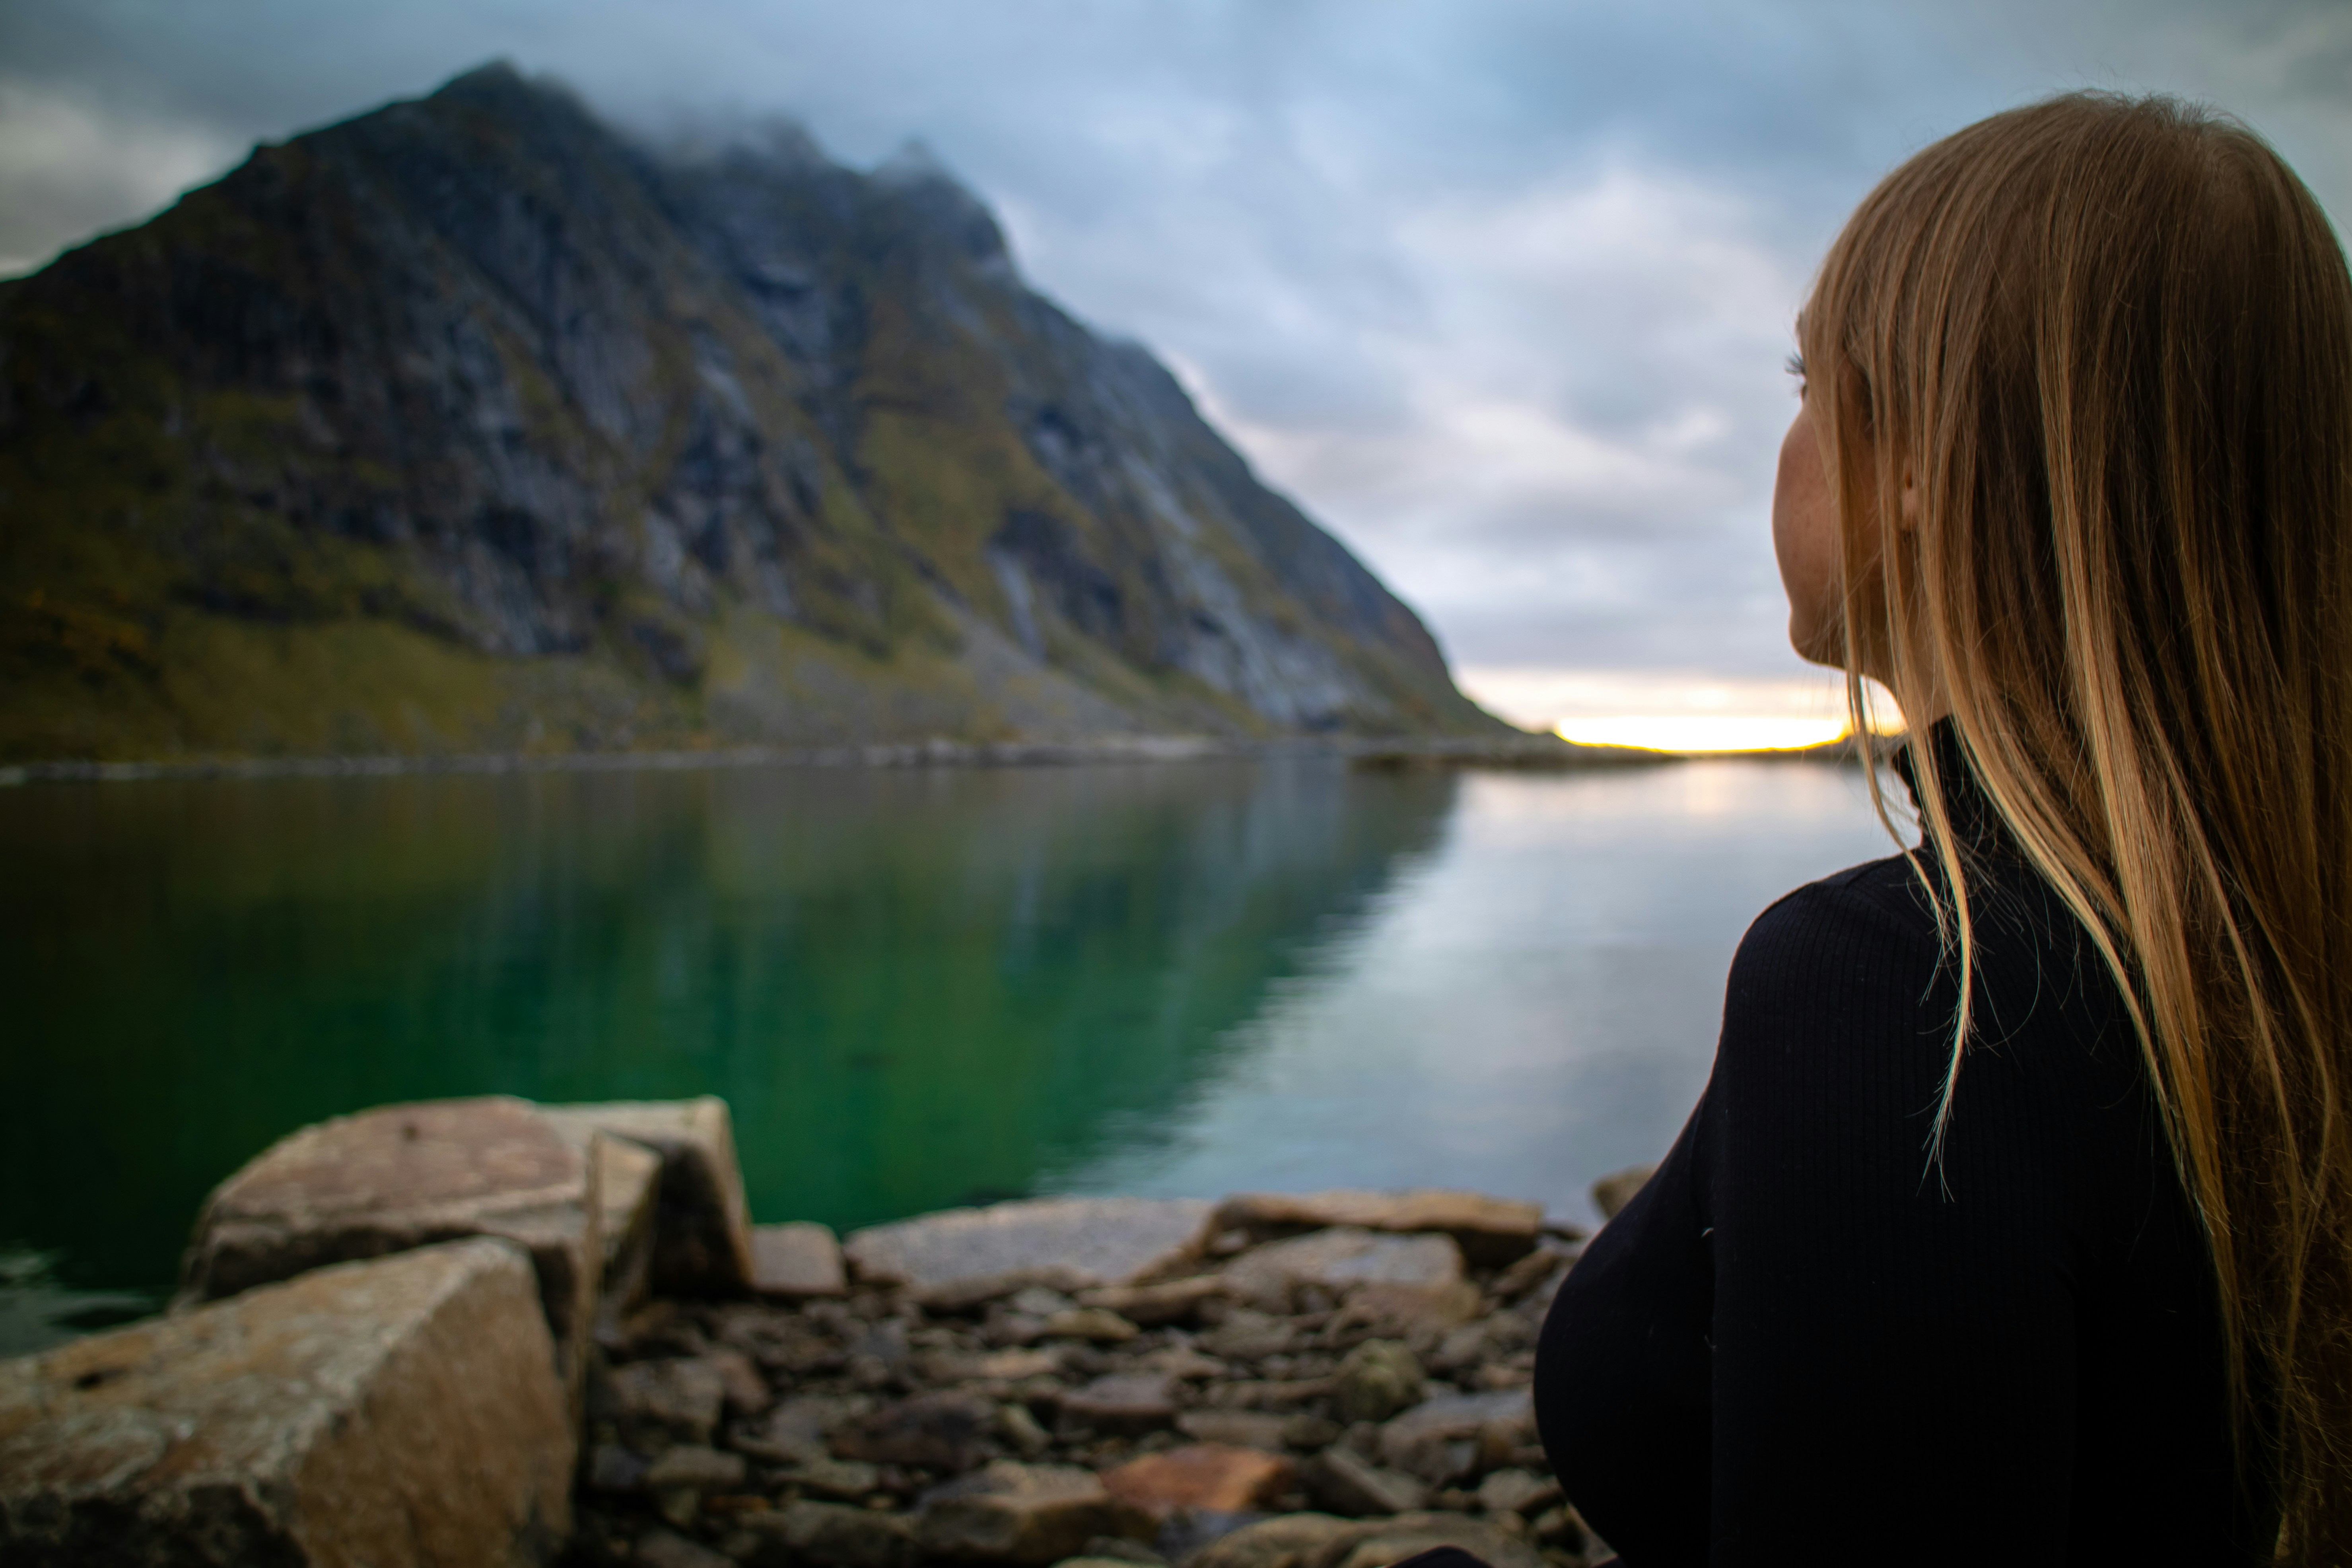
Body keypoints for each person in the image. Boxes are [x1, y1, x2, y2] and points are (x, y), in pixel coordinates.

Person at [1529, 94, 2352, 1565]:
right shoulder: (2291, 934)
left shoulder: (1902, 991)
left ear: (1919, 458)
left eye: (1806, 379)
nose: (1781, 447)